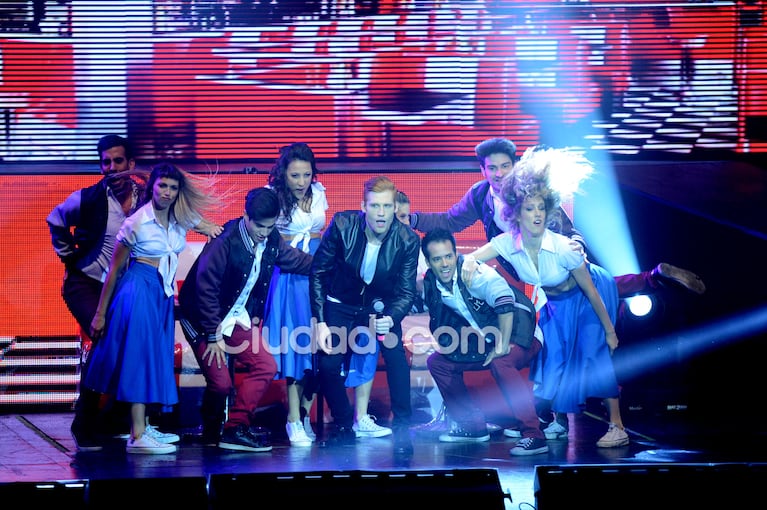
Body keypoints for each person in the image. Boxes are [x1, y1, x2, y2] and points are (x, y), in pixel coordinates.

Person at [461, 147, 630, 448]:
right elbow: (473, 257)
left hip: (587, 294)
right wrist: (470, 266)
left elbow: (591, 290)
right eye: (529, 209)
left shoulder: (563, 247)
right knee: (553, 357)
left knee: (593, 353)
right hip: (556, 302)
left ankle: (617, 426)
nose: (537, 214)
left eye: (541, 208)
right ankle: (560, 420)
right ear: (517, 214)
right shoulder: (506, 242)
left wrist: (610, 331)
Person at [408, 137, 705, 298]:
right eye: (492, 168)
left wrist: (575, 243)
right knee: (585, 296)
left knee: (582, 295)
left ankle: (653, 279)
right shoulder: (479, 194)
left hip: (548, 253)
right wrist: (412, 219)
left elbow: (561, 222)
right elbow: (449, 222)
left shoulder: (529, 189)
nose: (499, 174)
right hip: (518, 257)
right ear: (482, 170)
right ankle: (652, 279)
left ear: (515, 165)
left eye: (505, 166)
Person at [83, 162, 223, 454]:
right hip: (139, 289)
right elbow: (114, 269)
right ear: (152, 187)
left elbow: (205, 225)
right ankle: (136, 434)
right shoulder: (137, 222)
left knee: (153, 356)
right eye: (163, 186)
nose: (168, 192)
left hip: (161, 293)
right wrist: (99, 313)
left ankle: (145, 426)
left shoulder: (179, 218)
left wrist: (213, 228)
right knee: (139, 358)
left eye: (173, 187)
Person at [178, 187, 314, 452]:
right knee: (221, 383)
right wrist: (213, 335)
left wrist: (329, 263)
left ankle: (235, 428)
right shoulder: (225, 241)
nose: (264, 232)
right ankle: (211, 430)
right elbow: (205, 291)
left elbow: (294, 260)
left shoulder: (271, 238)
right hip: (202, 318)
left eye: (270, 226)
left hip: (234, 316)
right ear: (246, 217)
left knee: (265, 364)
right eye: (260, 226)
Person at [47, 134, 160, 451]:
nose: (112, 168)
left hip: (123, 286)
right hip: (86, 284)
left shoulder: (146, 198)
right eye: (106, 162)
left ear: (131, 163)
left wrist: (148, 178)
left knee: (131, 346)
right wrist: (69, 256)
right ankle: (83, 423)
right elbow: (54, 219)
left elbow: (171, 196)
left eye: (118, 161)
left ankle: (113, 420)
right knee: (105, 339)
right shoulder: (90, 198)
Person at [310, 175, 420, 455]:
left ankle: (403, 427)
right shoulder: (343, 225)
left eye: (387, 206)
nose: (381, 213)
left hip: (378, 307)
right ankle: (345, 424)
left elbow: (406, 292)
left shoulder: (407, 239)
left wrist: (391, 318)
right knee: (329, 364)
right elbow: (319, 273)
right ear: (363, 206)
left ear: (395, 208)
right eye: (375, 206)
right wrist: (321, 321)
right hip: (340, 304)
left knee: (396, 356)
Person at [420, 228, 548, 456]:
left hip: (522, 332)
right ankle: (472, 427)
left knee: (501, 362)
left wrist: (502, 344)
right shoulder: (433, 283)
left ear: (456, 254)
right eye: (437, 259)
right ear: (429, 262)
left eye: (449, 256)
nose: (445, 264)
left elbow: (505, 299)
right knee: (439, 363)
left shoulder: (474, 273)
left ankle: (534, 436)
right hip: (487, 337)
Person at [263, 142, 328, 447]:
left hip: (316, 276)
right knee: (296, 348)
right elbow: (270, 243)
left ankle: (303, 413)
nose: (302, 182)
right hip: (290, 276)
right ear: (283, 174)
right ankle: (292, 420)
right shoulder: (272, 196)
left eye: (306, 175)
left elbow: (321, 235)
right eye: (295, 176)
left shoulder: (319, 193)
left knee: (320, 350)